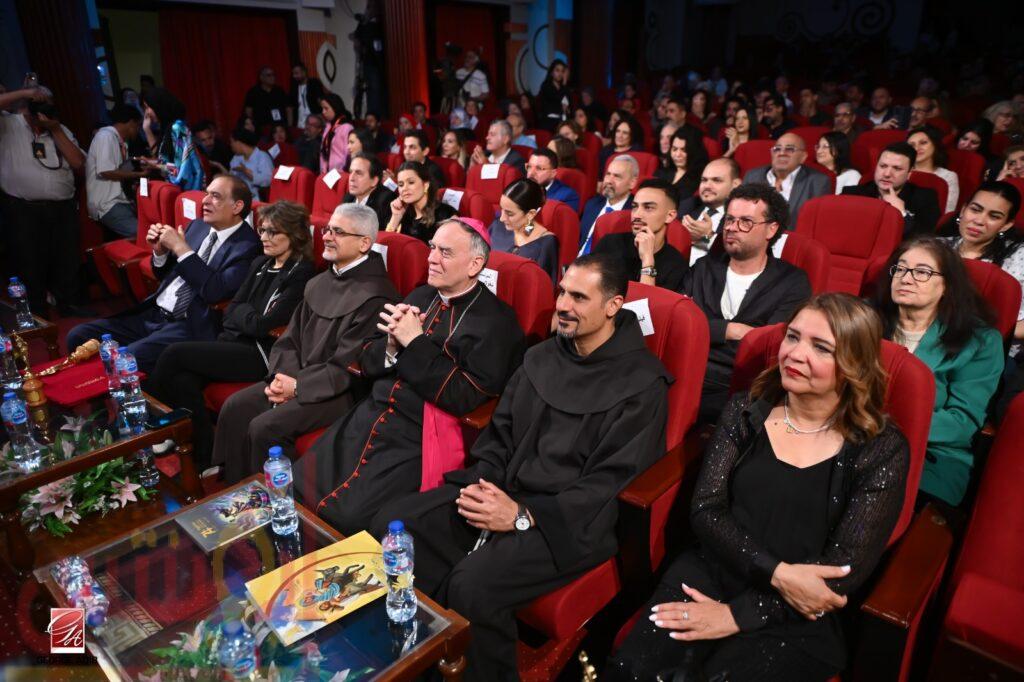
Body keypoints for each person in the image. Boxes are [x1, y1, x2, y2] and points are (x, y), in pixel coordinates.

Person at [372, 252, 671, 682]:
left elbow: (608, 484)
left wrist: (521, 515)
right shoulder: (542, 356)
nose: (563, 305)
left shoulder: (642, 384)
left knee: (473, 586)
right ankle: (418, 660)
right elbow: (500, 436)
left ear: (613, 306)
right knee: (397, 527)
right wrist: (484, 485)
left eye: (579, 297)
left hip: (567, 520)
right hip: (504, 491)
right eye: (562, 292)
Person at [608, 293, 909, 682]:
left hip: (794, 610)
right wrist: (777, 572)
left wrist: (740, 615)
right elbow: (706, 510)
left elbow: (842, 570)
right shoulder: (746, 409)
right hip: (714, 569)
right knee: (634, 671)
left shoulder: (881, 448)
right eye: (792, 337)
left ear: (855, 365)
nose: (794, 354)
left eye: (821, 347)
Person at [293, 217, 526, 534]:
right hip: (371, 412)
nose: (431, 258)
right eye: (432, 248)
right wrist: (391, 346)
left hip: (419, 434)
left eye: (445, 252)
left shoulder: (498, 323)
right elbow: (366, 357)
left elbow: (464, 396)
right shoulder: (420, 295)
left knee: (348, 518)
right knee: (299, 481)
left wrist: (414, 343)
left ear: (475, 264)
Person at [215, 204, 400, 482]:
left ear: (364, 243)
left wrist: (299, 386)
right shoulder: (319, 282)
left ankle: (278, 499)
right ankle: (235, 486)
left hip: (339, 392)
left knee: (265, 427)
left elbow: (348, 365)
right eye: (327, 229)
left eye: (338, 232)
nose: (327, 237)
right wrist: (283, 377)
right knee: (235, 406)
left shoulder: (376, 296)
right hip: (297, 377)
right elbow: (290, 339)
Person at [147, 200, 316, 471]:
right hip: (235, 342)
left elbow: (264, 325)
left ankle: (155, 426)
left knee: (174, 353)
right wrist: (248, 315)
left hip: (261, 353)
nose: (264, 237)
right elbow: (231, 310)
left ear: (295, 235)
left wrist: (245, 315)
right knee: (182, 379)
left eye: (273, 232)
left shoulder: (303, 273)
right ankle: (205, 455)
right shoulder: (260, 262)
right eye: (262, 230)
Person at [66, 175, 262, 371]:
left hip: (189, 323)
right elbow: (166, 275)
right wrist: (160, 253)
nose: (205, 200)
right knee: (78, 335)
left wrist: (180, 248)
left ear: (237, 206)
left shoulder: (248, 247)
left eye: (215, 196)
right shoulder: (198, 226)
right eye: (206, 193)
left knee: (126, 360)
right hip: (154, 313)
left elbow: (215, 291)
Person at [874, 236, 1003, 508]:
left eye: (922, 272)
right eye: (900, 268)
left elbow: (962, 422)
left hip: (928, 455)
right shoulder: (865, 319)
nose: (906, 278)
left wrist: (875, 422)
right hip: (848, 437)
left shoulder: (980, 341)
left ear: (947, 285)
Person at [683, 183, 812, 422]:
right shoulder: (703, 268)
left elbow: (769, 346)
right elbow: (681, 326)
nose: (731, 228)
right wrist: (730, 330)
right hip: (687, 369)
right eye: (729, 219)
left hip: (743, 386)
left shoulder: (792, 282)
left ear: (771, 229)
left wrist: (707, 332)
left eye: (745, 222)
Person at [0, 85, 89, 317]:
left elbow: (78, 162)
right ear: (26, 106)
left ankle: (69, 305)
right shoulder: (9, 125)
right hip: (24, 210)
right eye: (38, 104)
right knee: (30, 264)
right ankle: (38, 313)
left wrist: (55, 129)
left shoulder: (60, 129)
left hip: (62, 208)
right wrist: (25, 93)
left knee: (66, 260)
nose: (43, 109)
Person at [940, 181, 1024, 357]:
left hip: (986, 350)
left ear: (1006, 225)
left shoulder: (1018, 256)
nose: (979, 221)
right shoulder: (937, 247)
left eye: (994, 216)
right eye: (975, 210)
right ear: (963, 210)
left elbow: (1019, 328)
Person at [593, 178, 688, 290]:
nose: (636, 215)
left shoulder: (676, 264)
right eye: (635, 207)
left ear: (670, 216)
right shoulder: (609, 243)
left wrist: (647, 261)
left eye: (648, 208)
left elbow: (648, 300)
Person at [843, 142, 941, 236]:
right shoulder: (851, 194)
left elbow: (924, 240)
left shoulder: (926, 198)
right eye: (883, 166)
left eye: (897, 168)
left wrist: (902, 213)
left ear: (909, 173)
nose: (887, 174)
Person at [743, 132, 830, 225]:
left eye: (790, 149)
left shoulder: (817, 182)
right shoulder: (752, 176)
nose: (782, 153)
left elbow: (816, 223)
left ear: (803, 157)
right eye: (777, 149)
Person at [86, 104, 145, 238]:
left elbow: (120, 170)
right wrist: (138, 174)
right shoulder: (105, 136)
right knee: (143, 234)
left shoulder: (121, 142)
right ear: (131, 123)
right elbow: (106, 171)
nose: (138, 130)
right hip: (108, 204)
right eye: (138, 126)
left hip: (120, 201)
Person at [489, 179, 559, 282]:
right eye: (501, 209)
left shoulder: (546, 242)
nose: (502, 218)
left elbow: (544, 285)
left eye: (509, 213)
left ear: (530, 214)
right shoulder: (496, 227)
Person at [679, 157, 744, 264]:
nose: (707, 186)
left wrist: (708, 236)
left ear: (735, 185)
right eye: (704, 180)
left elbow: (740, 255)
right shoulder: (685, 207)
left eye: (717, 180)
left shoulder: (743, 217)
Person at [578, 155, 639, 255]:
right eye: (608, 174)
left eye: (617, 176)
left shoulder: (635, 214)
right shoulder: (592, 204)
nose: (609, 181)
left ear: (632, 183)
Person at [385, 161, 456, 243]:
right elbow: (387, 245)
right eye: (401, 185)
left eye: (411, 182)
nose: (404, 188)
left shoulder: (445, 214)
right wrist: (396, 217)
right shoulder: (403, 213)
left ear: (426, 185)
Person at [908, 126, 960, 212]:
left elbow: (947, 212)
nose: (916, 148)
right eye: (912, 145)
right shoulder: (902, 172)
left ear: (935, 144)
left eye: (923, 143)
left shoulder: (948, 177)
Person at [655, 126, 710, 208]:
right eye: (674, 149)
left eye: (684, 150)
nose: (678, 154)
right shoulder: (662, 172)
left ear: (694, 151)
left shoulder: (700, 179)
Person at [342, 152, 396, 230]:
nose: (351, 178)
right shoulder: (349, 197)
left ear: (374, 181)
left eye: (359, 173)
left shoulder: (386, 200)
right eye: (350, 172)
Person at [525, 147, 579, 212]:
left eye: (539, 168)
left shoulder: (567, 196)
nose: (531, 173)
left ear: (553, 173)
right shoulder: (521, 187)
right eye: (529, 166)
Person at [243, 66, 291, 132]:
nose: (272, 77)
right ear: (261, 77)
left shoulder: (279, 91)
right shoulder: (253, 92)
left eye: (273, 75)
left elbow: (288, 109)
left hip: (280, 127)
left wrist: (290, 126)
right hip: (261, 128)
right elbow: (248, 111)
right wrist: (252, 126)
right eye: (269, 75)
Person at [228, 128, 274, 198]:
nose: (231, 145)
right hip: (237, 196)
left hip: (256, 197)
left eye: (232, 142)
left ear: (239, 143)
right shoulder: (236, 158)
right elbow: (231, 177)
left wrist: (246, 172)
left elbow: (268, 180)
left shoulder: (262, 156)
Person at [319, 93, 354, 173]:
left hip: (341, 173)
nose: (323, 112)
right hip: (326, 173)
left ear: (335, 107)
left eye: (326, 108)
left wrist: (342, 172)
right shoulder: (328, 127)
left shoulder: (347, 127)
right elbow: (323, 152)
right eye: (322, 108)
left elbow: (348, 154)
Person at [536, 58, 571, 131]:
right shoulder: (546, 86)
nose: (560, 74)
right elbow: (556, 99)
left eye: (562, 71)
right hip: (549, 122)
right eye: (557, 70)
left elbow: (568, 104)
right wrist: (564, 82)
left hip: (563, 121)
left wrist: (567, 109)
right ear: (552, 72)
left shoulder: (565, 88)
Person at [289, 62, 325, 128]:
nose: (294, 76)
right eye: (293, 74)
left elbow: (320, 100)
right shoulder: (294, 87)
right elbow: (290, 107)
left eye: (296, 73)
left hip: (314, 121)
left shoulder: (314, 83)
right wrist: (290, 125)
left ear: (304, 72)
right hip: (300, 123)